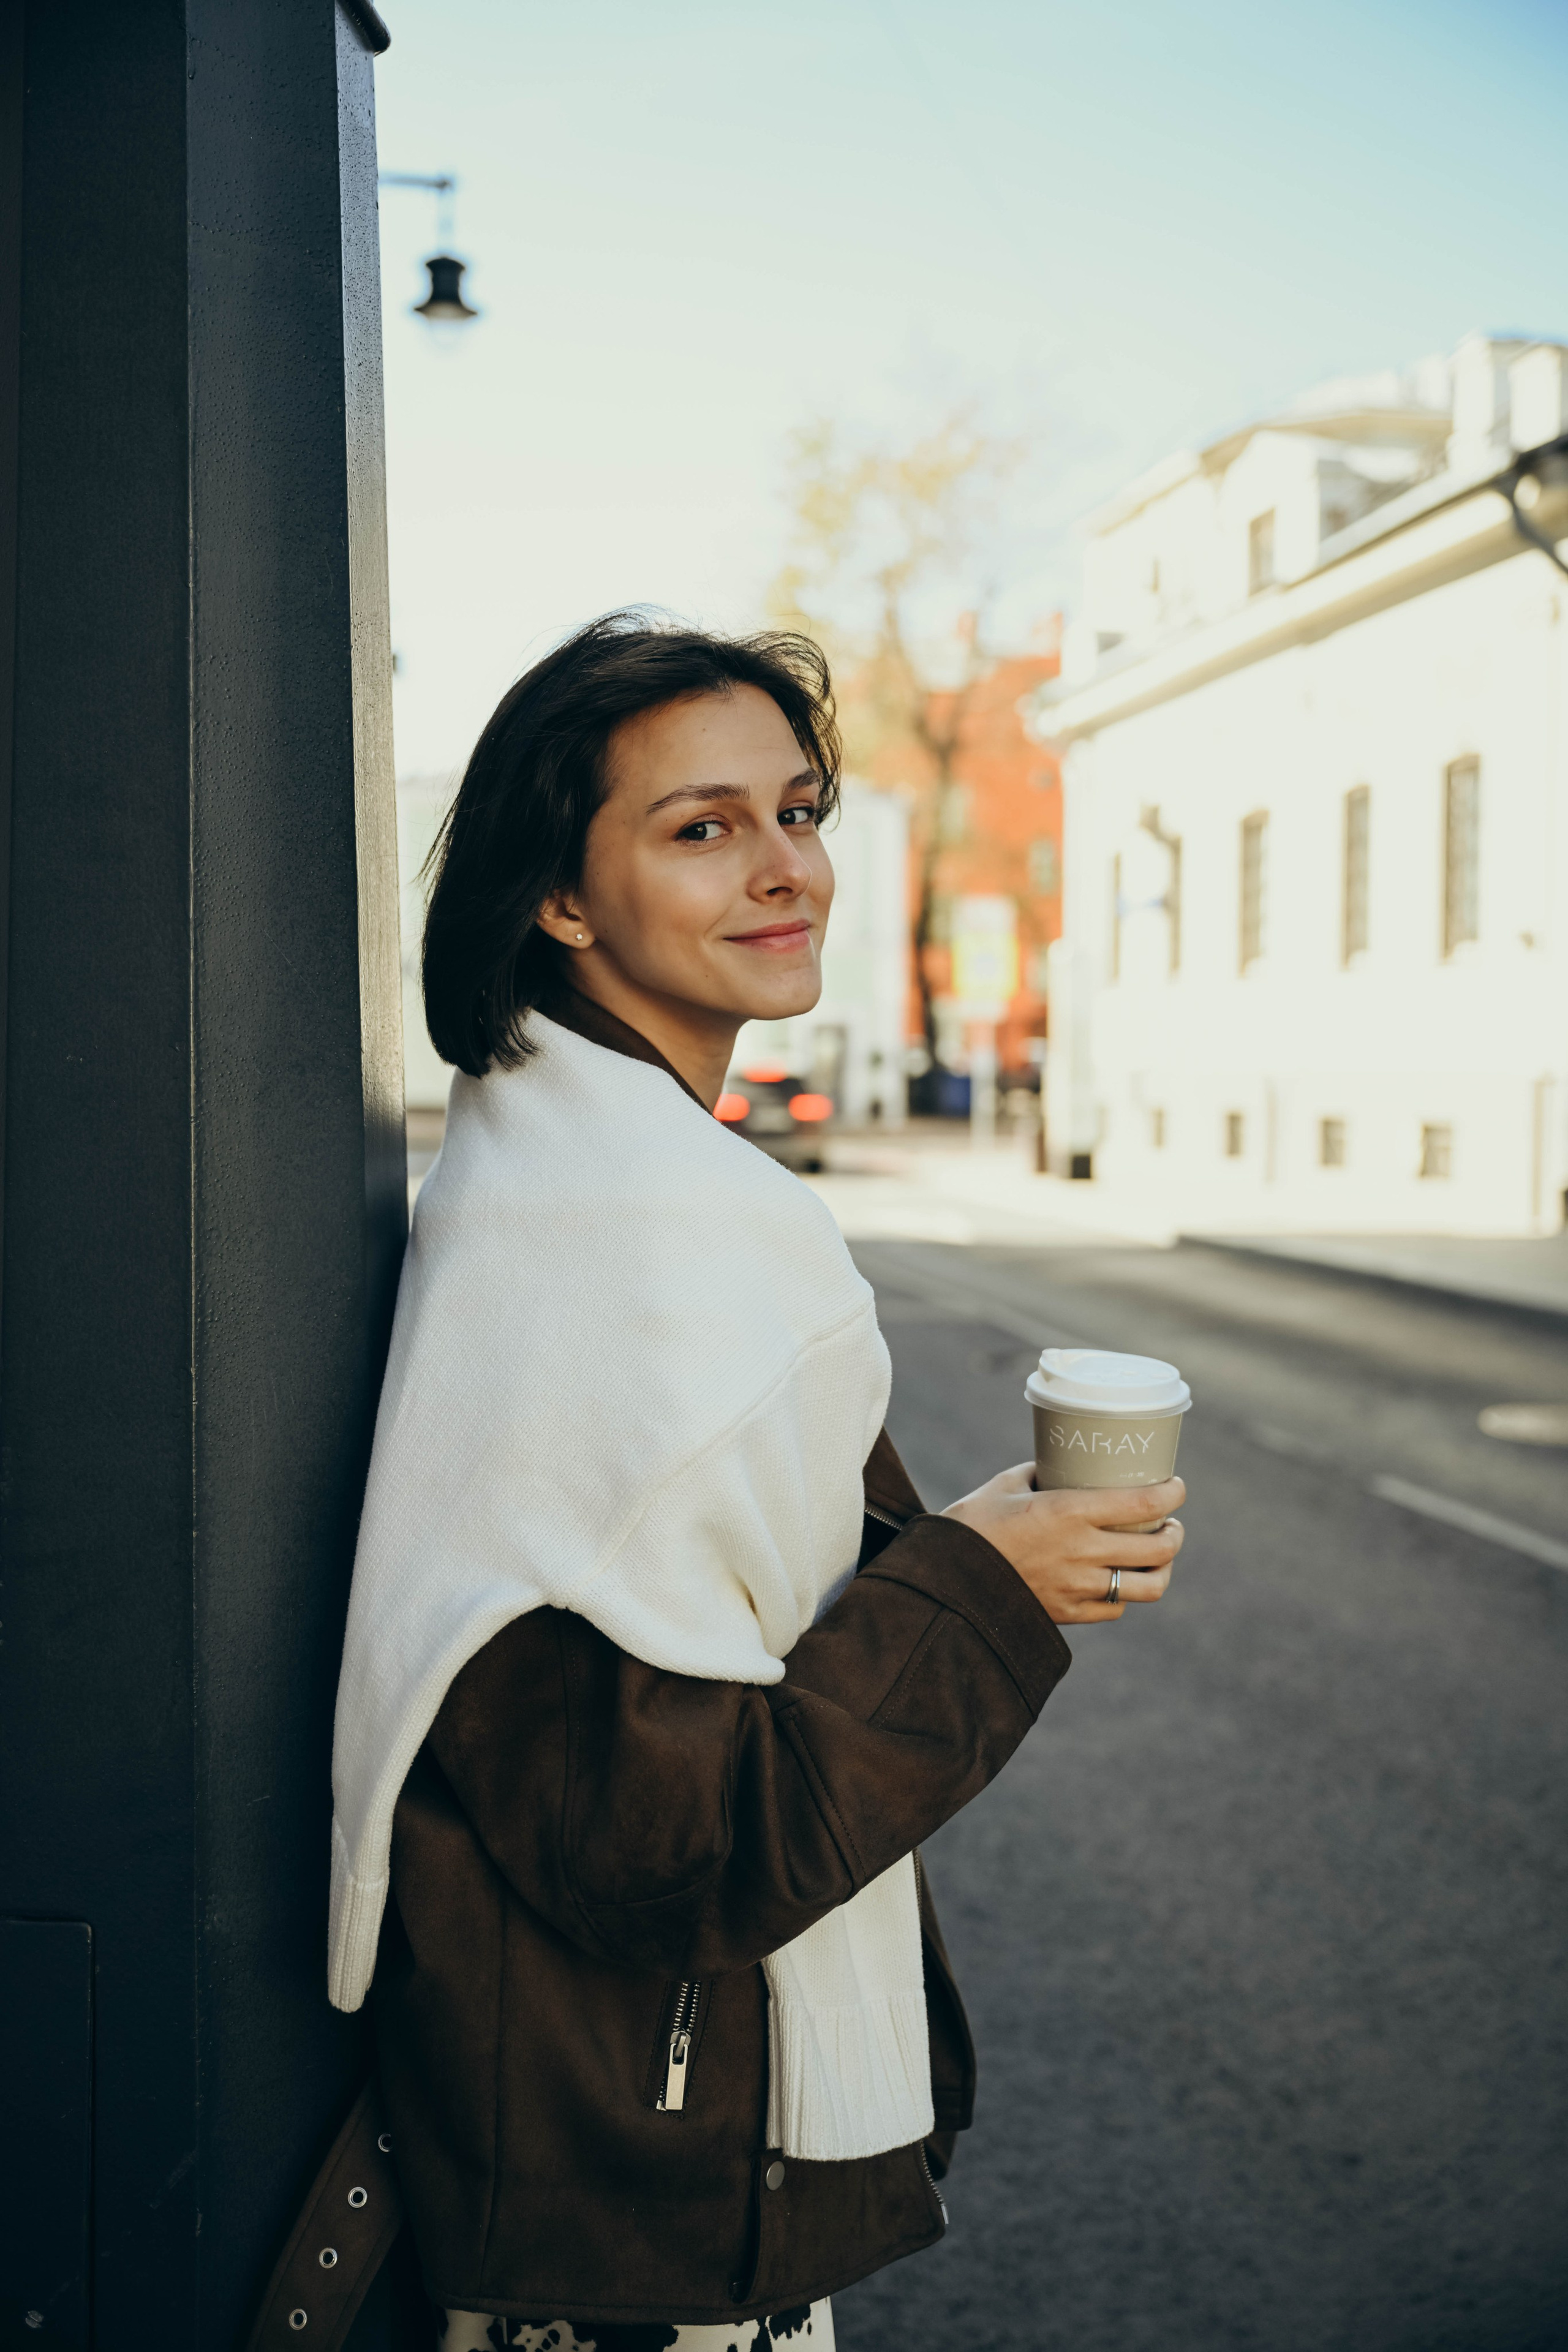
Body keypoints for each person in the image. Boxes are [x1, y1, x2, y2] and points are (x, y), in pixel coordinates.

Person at [328, 613, 1183, 2351]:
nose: (787, 868)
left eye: (798, 812)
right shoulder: (652, 1235)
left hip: (566, 2142)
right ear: (562, 899)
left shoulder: (544, 1162)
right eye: (701, 828)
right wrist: (989, 1585)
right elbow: (675, 1845)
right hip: (635, 2203)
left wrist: (966, 1547)